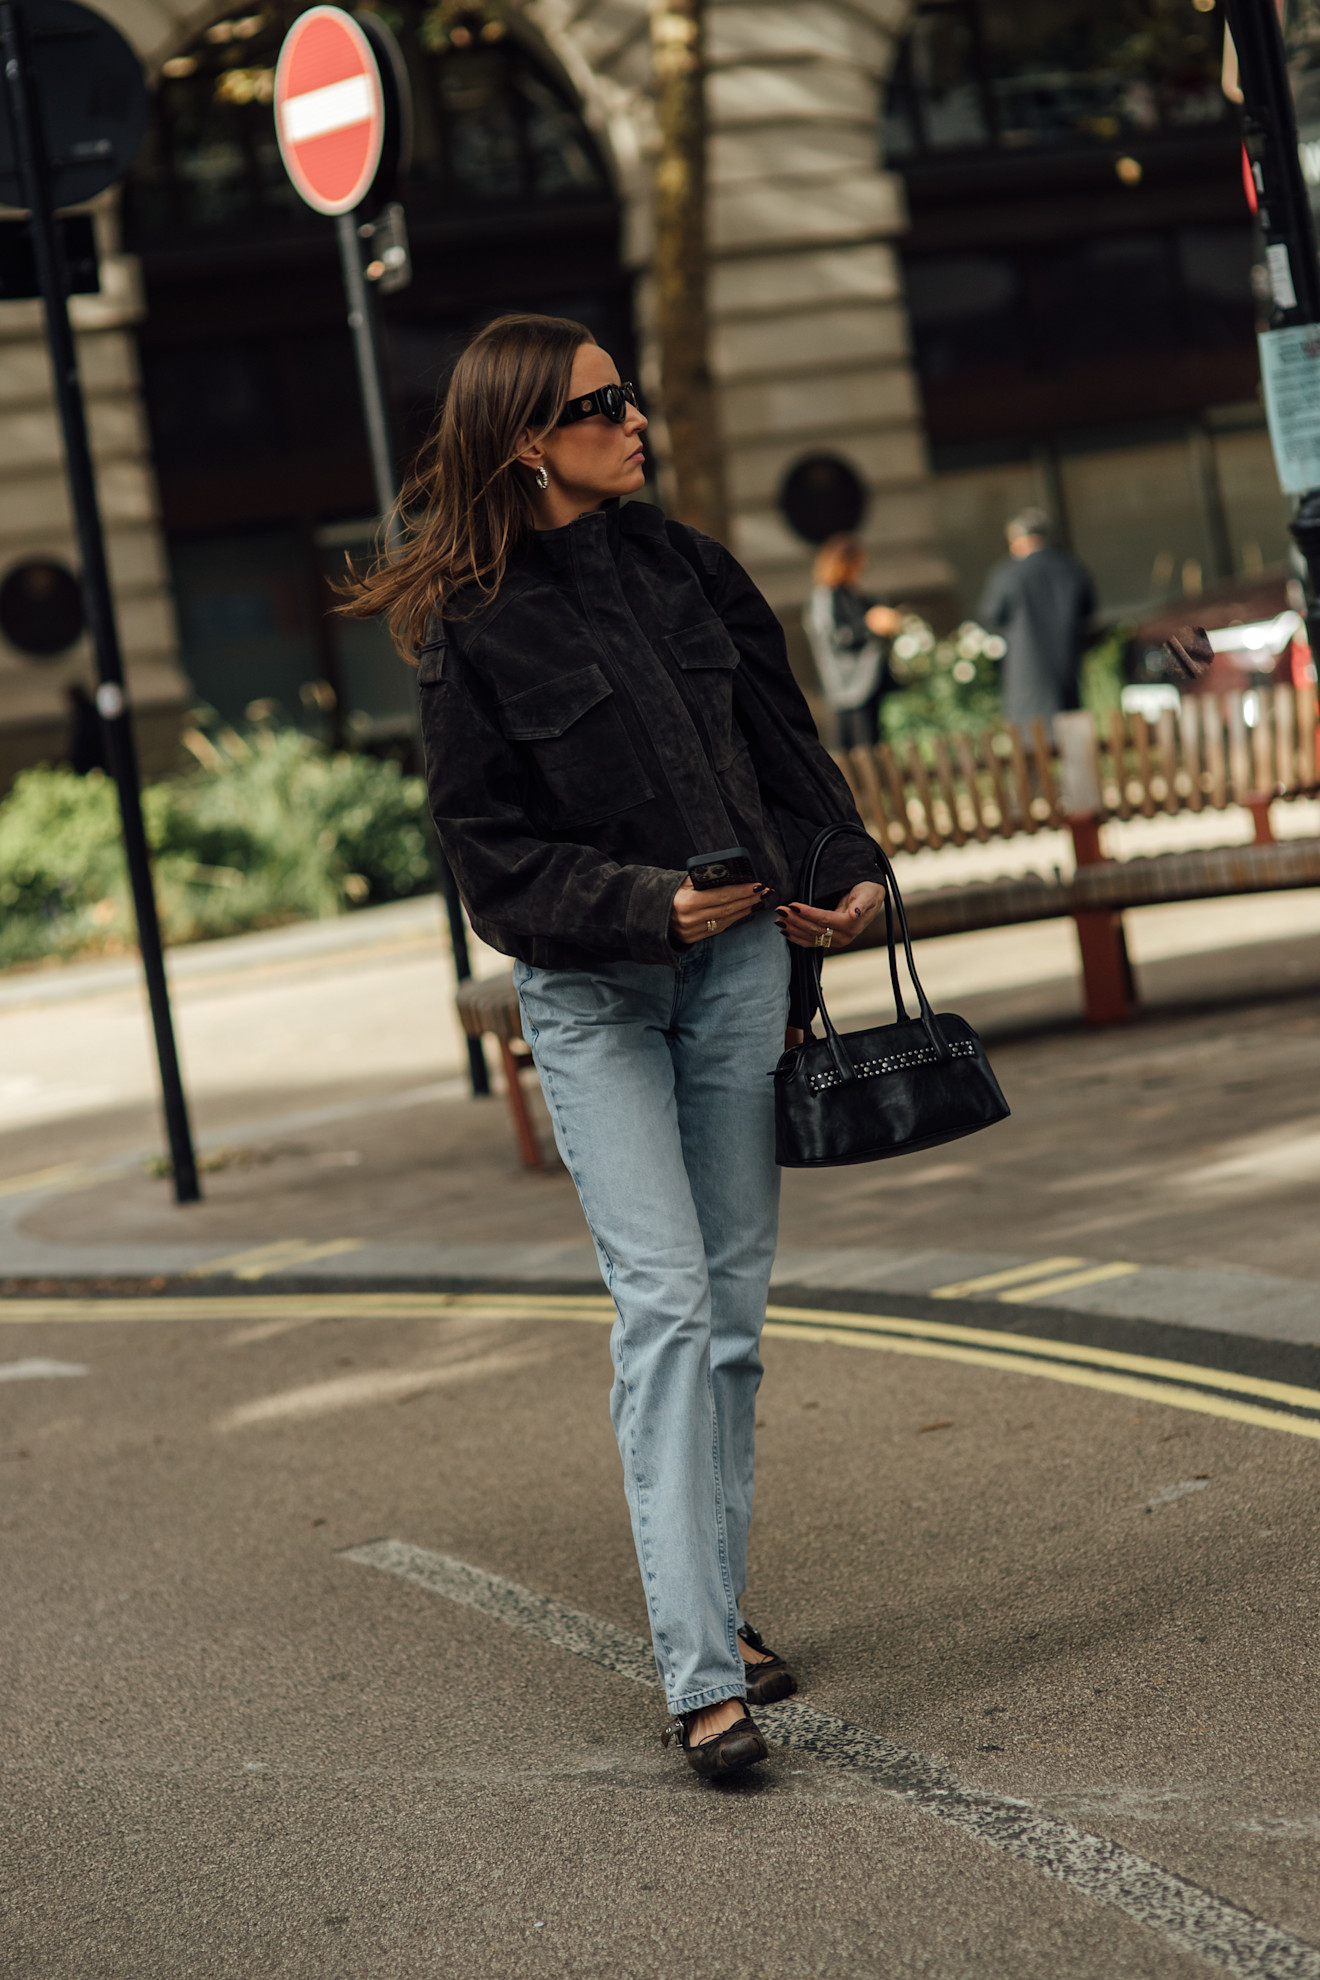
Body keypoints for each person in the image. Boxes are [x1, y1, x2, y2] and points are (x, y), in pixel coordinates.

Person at [342, 315, 884, 1780]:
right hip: (598, 998)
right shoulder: (467, 624)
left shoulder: (688, 566)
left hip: (743, 975)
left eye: (630, 394)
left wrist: (850, 867)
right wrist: (652, 902)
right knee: (662, 1304)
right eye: (605, 404)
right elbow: (493, 865)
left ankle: (717, 1606)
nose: (636, 419)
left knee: (734, 1320)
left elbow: (793, 756)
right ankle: (702, 1674)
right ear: (530, 439)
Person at [978, 508, 1094, 731]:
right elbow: (1088, 610)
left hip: (1026, 668)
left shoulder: (1008, 573)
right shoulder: (1071, 568)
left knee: (1032, 736)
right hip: (1066, 662)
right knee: (1070, 730)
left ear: (1016, 540)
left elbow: (992, 614)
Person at [802, 534, 901, 749]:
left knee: (874, 745)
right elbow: (836, 637)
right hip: (848, 685)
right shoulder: (826, 598)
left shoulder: (855, 596)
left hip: (868, 682)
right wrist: (870, 625)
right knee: (856, 749)